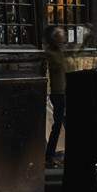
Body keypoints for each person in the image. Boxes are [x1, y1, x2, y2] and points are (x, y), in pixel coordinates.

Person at [44, 27, 71, 164]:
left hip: (64, 91)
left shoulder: (60, 53)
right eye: (61, 37)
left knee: (62, 123)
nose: (64, 40)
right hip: (58, 92)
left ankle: (53, 154)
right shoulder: (51, 53)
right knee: (58, 123)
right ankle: (50, 155)